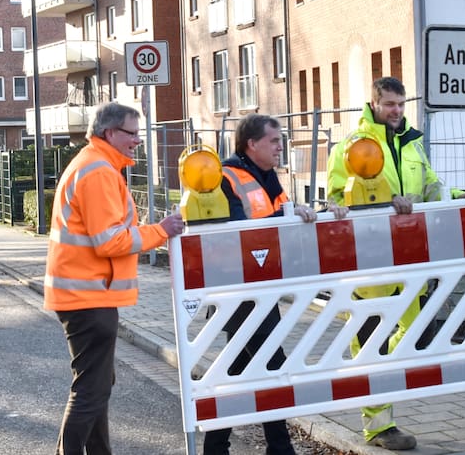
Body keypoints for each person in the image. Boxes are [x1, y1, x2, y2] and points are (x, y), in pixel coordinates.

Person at [326, 76, 465, 451]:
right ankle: (378, 426)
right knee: (370, 337)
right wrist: (386, 201)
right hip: (368, 256)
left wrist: (460, 196)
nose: (396, 111)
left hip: (409, 254)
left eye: (401, 104)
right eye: (390, 104)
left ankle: (378, 382)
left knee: (411, 332)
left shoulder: (413, 143)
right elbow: (335, 197)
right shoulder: (354, 146)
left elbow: (429, 186)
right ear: (374, 103)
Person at [44, 103, 188, 455]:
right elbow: (109, 241)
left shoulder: (96, 166)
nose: (138, 141)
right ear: (109, 133)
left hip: (87, 294)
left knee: (97, 386)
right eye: (132, 133)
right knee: (91, 389)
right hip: (89, 296)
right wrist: (161, 230)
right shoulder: (99, 172)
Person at [203, 114, 347, 455]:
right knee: (270, 362)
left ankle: (217, 446)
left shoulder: (268, 177)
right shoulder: (226, 176)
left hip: (261, 287)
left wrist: (321, 213)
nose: (280, 146)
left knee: (238, 367)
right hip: (238, 290)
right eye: (274, 140)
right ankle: (279, 448)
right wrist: (288, 216)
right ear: (251, 144)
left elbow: (285, 221)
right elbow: (237, 229)